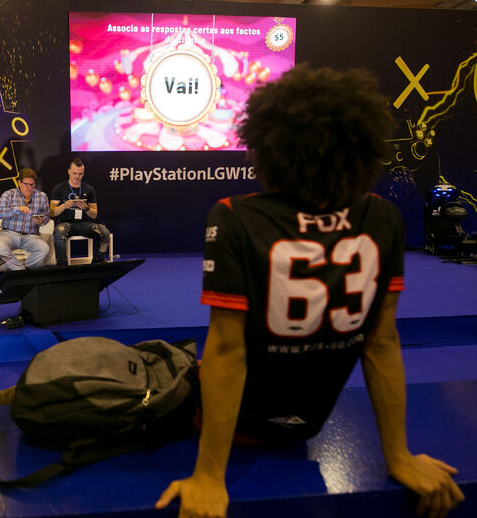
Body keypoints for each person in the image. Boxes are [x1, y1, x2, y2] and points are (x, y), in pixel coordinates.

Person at [155, 65, 464, 518]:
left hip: (232, 426)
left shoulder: (236, 216)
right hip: (307, 424)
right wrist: (399, 456)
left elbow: (227, 349)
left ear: (270, 145)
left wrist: (208, 476)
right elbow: (381, 342)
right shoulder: (381, 217)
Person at [50, 157, 111, 265]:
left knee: (105, 233)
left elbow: (94, 215)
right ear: (69, 171)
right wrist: (64, 206)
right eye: (74, 173)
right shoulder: (59, 188)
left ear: (83, 173)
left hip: (84, 224)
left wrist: (86, 208)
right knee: (58, 232)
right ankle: (62, 266)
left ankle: (97, 262)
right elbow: (52, 212)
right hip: (65, 224)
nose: (77, 177)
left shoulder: (89, 189)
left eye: (80, 174)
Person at [0, 168, 51, 270]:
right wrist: (17, 209)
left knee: (44, 248)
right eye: (26, 184)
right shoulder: (8, 194)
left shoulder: (42, 196)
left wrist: (41, 221)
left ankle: (26, 270)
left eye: (32, 185)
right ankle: (20, 271)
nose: (30, 188)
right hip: (9, 233)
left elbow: (46, 216)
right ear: (19, 183)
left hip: (30, 235)